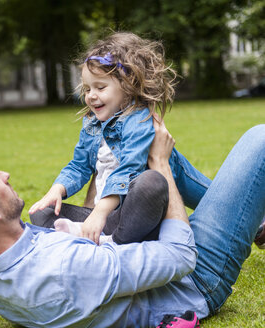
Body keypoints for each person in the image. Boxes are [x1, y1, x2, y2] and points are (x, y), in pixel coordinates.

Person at [0, 121, 265, 327]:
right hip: (193, 278)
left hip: (127, 256)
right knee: (258, 139)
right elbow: (179, 256)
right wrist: (160, 163)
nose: (5, 174)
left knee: (132, 148)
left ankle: (253, 216)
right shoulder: (70, 267)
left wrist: (100, 200)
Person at [28, 32, 211, 245]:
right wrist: (57, 189)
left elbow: (129, 169)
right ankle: (103, 240)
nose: (90, 95)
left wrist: (99, 212)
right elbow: (78, 166)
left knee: (151, 183)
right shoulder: (92, 124)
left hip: (137, 218)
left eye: (100, 87)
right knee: (42, 212)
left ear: (128, 85)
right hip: (108, 219)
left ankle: (110, 245)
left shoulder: (139, 119)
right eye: (87, 89)